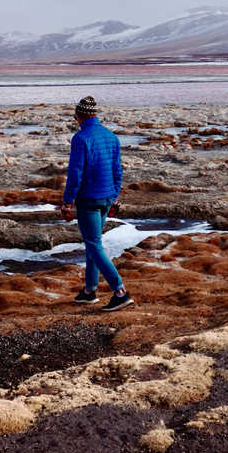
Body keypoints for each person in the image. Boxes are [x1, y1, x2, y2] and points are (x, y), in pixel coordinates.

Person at [61, 95, 133, 311]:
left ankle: (120, 292)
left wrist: (67, 202)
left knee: (93, 244)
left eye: (76, 115)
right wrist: (114, 197)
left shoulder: (81, 138)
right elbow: (117, 171)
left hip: (89, 200)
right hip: (106, 198)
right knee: (94, 243)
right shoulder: (111, 137)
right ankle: (89, 291)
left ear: (80, 115)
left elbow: (75, 174)